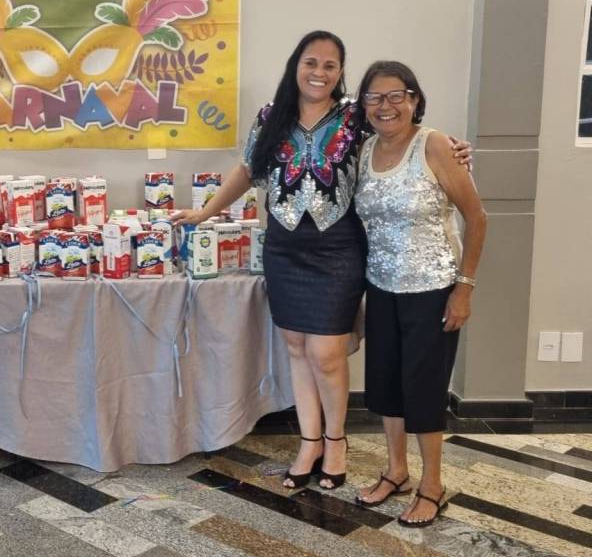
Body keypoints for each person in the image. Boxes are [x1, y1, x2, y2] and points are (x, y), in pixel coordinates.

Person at [172, 30, 470, 491]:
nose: (319, 72)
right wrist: (206, 212)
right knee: (296, 347)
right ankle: (309, 442)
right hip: (284, 247)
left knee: (328, 354)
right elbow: (248, 169)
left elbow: (401, 135)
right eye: (311, 62)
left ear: (340, 72)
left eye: (330, 65)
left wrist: (454, 149)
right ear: (297, 65)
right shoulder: (272, 116)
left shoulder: (355, 115)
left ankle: (336, 441)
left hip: (338, 248)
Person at [352, 61, 486, 526]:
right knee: (386, 386)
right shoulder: (364, 150)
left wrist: (464, 289)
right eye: (374, 97)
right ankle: (397, 472)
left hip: (433, 290)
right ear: (364, 105)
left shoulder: (435, 145)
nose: (385, 106)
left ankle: (433, 485)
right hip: (381, 287)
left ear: (414, 100)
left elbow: (477, 217)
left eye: (396, 95)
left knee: (424, 390)